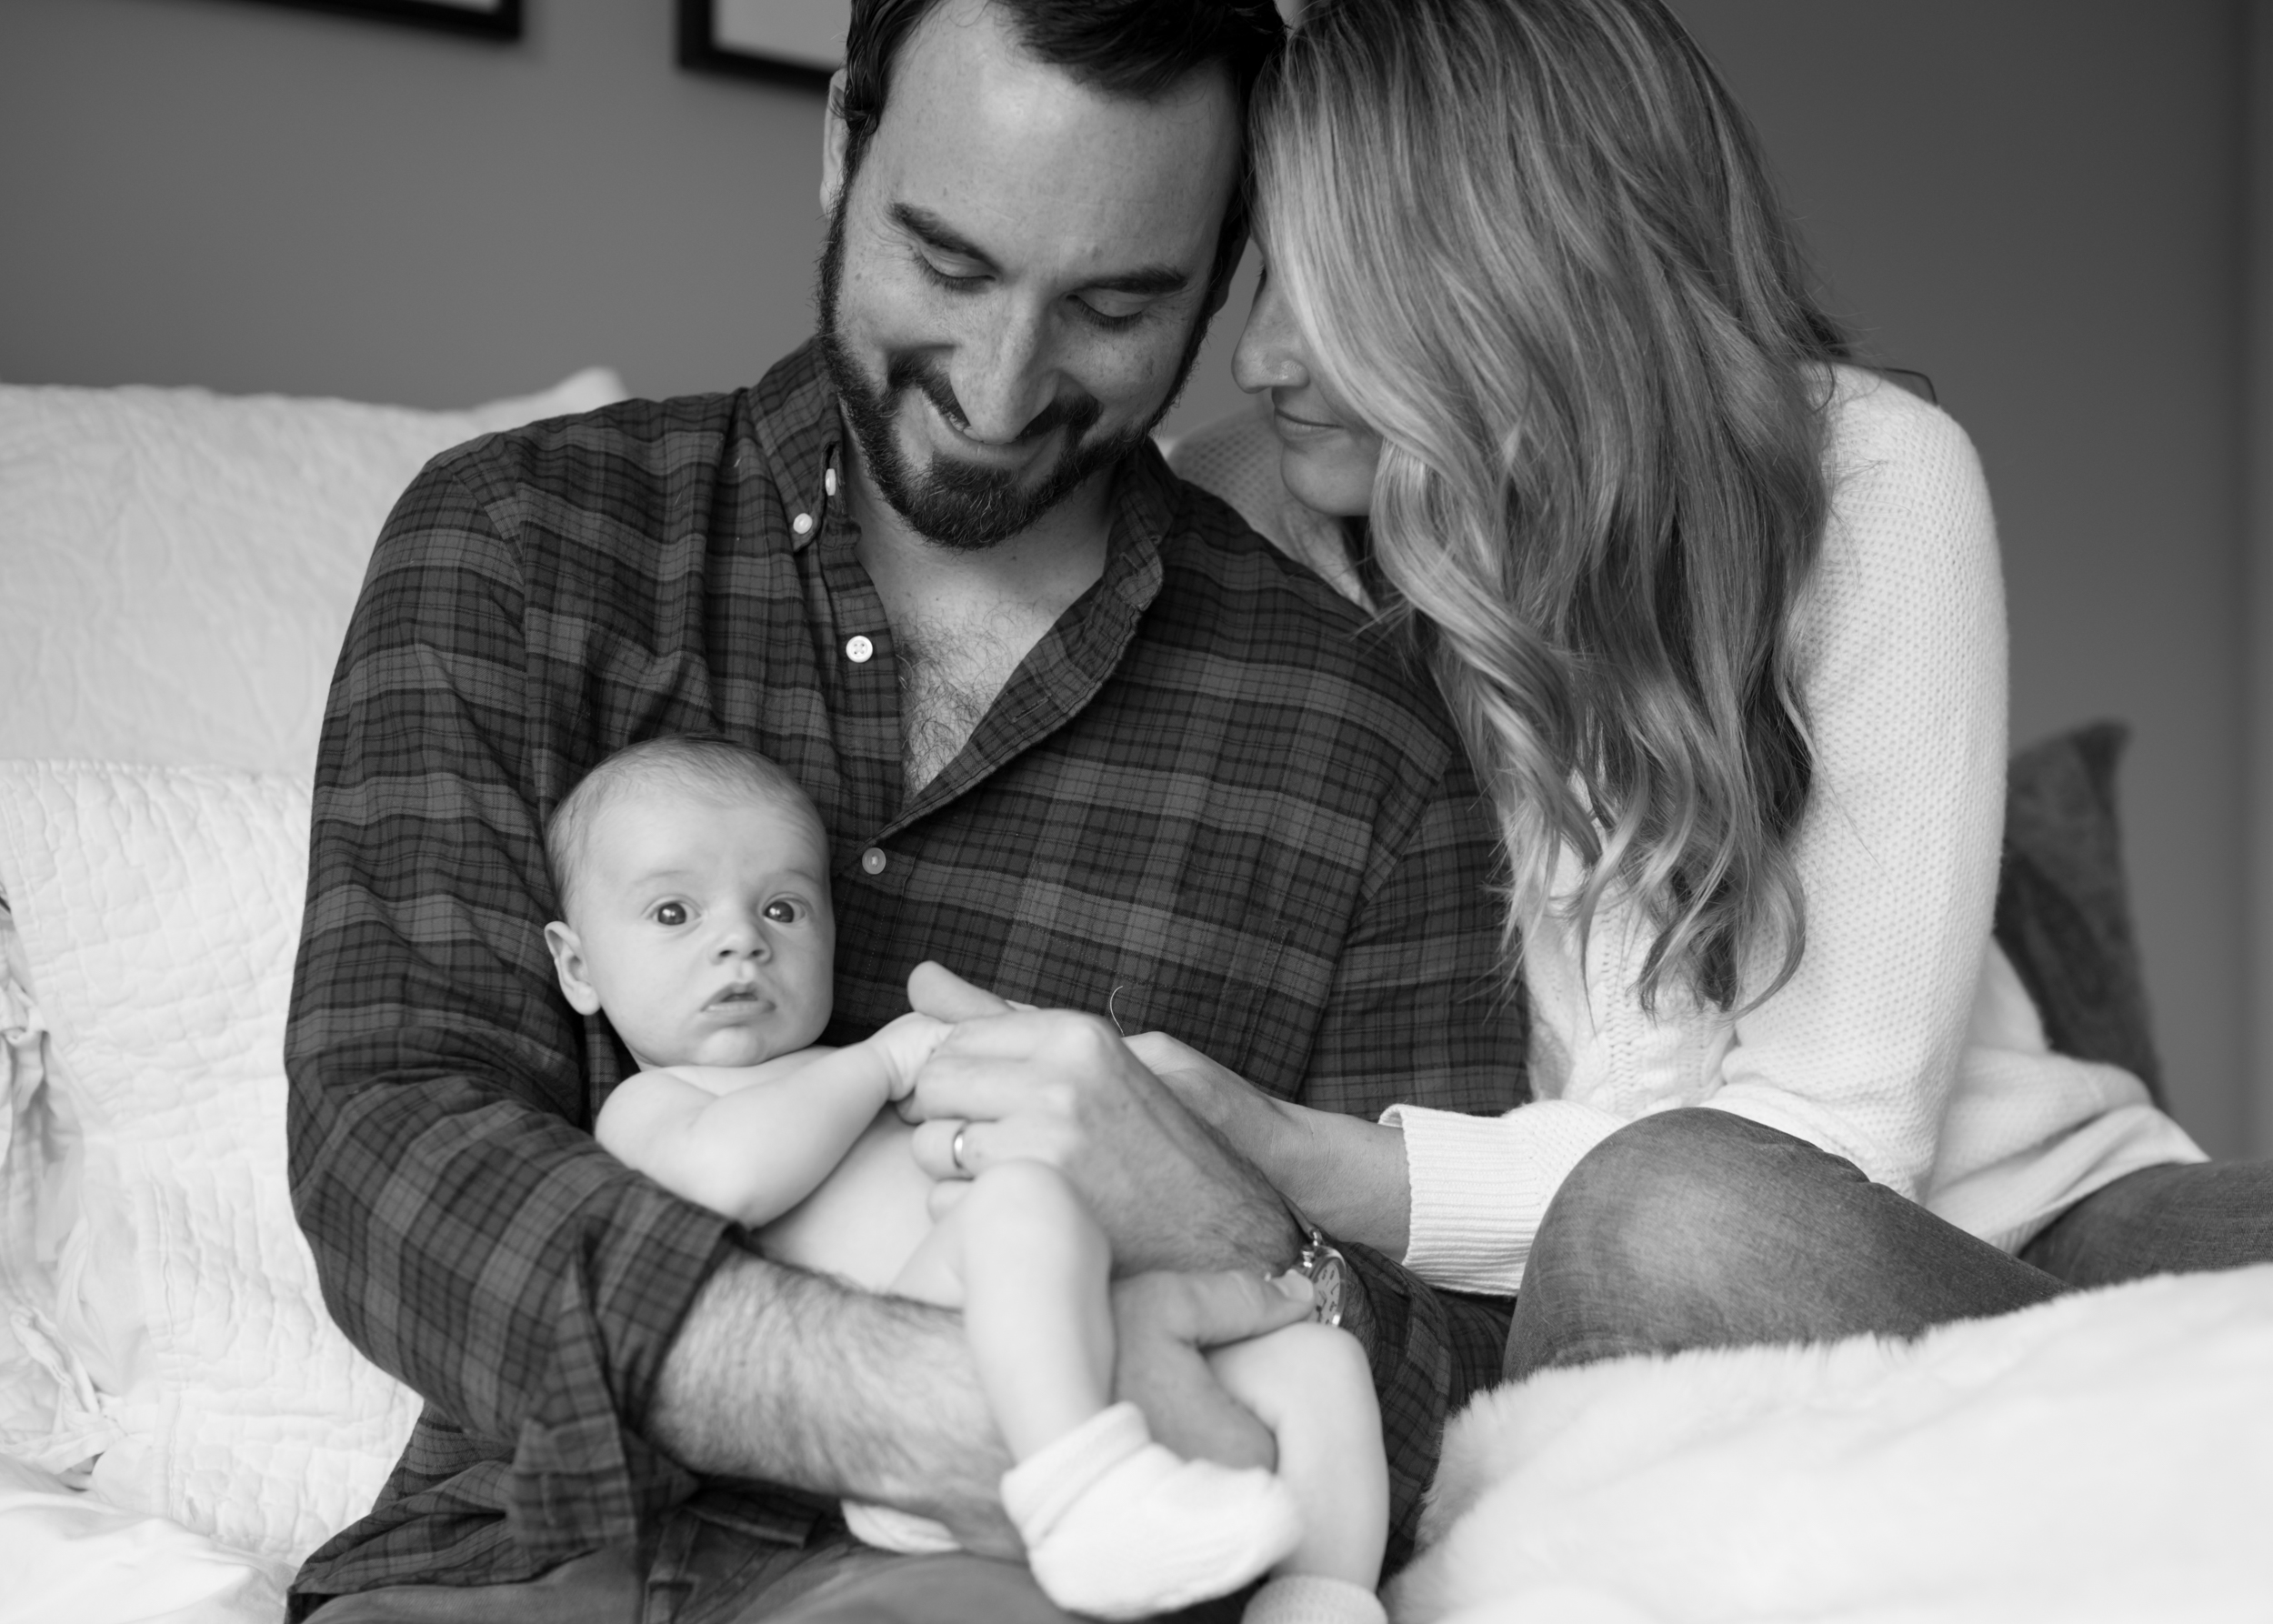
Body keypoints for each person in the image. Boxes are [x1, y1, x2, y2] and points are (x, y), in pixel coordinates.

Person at [284, 1, 1524, 1619]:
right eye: (949, 265)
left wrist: (1255, 1234)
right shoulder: (526, 548)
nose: (1005, 386)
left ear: (1222, 277)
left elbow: (1467, 1374)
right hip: (523, 1566)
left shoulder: (1362, 746)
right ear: (840, 153)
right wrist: (929, 1408)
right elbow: (388, 1141)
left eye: (1115, 306)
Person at [1159, 0, 2271, 1378]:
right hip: (1647, 1250)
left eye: (1330, 289)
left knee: (1675, 1211)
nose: (1260, 354)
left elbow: (1836, 1140)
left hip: (2044, 1219)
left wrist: (1335, 1170)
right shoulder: (1228, 511)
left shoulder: (1869, 485)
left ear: (1517, 268)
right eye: (1264, 275)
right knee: (1665, 1219)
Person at [542, 736, 1387, 1624]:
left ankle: (1318, 1601)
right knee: (1019, 1205)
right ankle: (1081, 1498)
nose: (741, 941)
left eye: (783, 909)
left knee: (1319, 1359)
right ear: (579, 965)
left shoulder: (858, 1066)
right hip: (908, 1392)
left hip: (1081, 1341)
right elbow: (727, 1179)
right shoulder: (651, 1104)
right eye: (674, 912)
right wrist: (878, 1063)